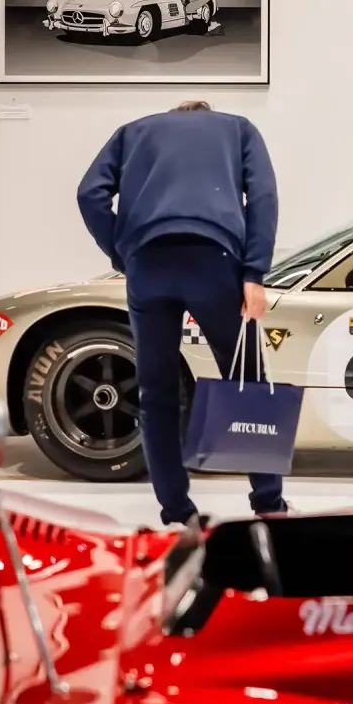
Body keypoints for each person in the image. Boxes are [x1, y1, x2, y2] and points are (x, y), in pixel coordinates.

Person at [76, 100, 289, 528]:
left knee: (156, 394)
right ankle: (269, 504)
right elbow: (263, 196)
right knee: (247, 381)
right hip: (215, 260)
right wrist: (254, 273)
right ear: (205, 114)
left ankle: (176, 510)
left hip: (148, 264)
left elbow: (89, 193)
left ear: (175, 115)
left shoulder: (133, 131)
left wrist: (122, 252)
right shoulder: (238, 129)